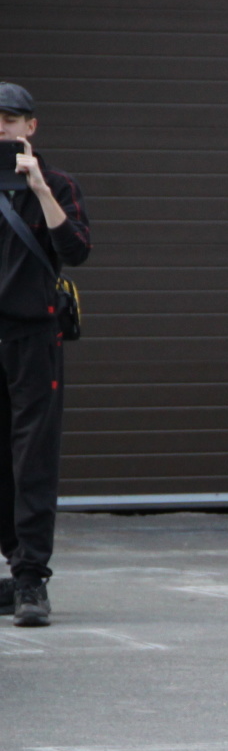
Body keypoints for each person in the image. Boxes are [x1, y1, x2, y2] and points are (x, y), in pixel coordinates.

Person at [0, 82, 89, 628]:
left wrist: (39, 188)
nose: (2, 130)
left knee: (32, 459)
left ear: (31, 127)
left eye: (10, 121)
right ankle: (14, 569)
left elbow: (76, 251)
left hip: (34, 337)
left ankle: (32, 580)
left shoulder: (57, 183)